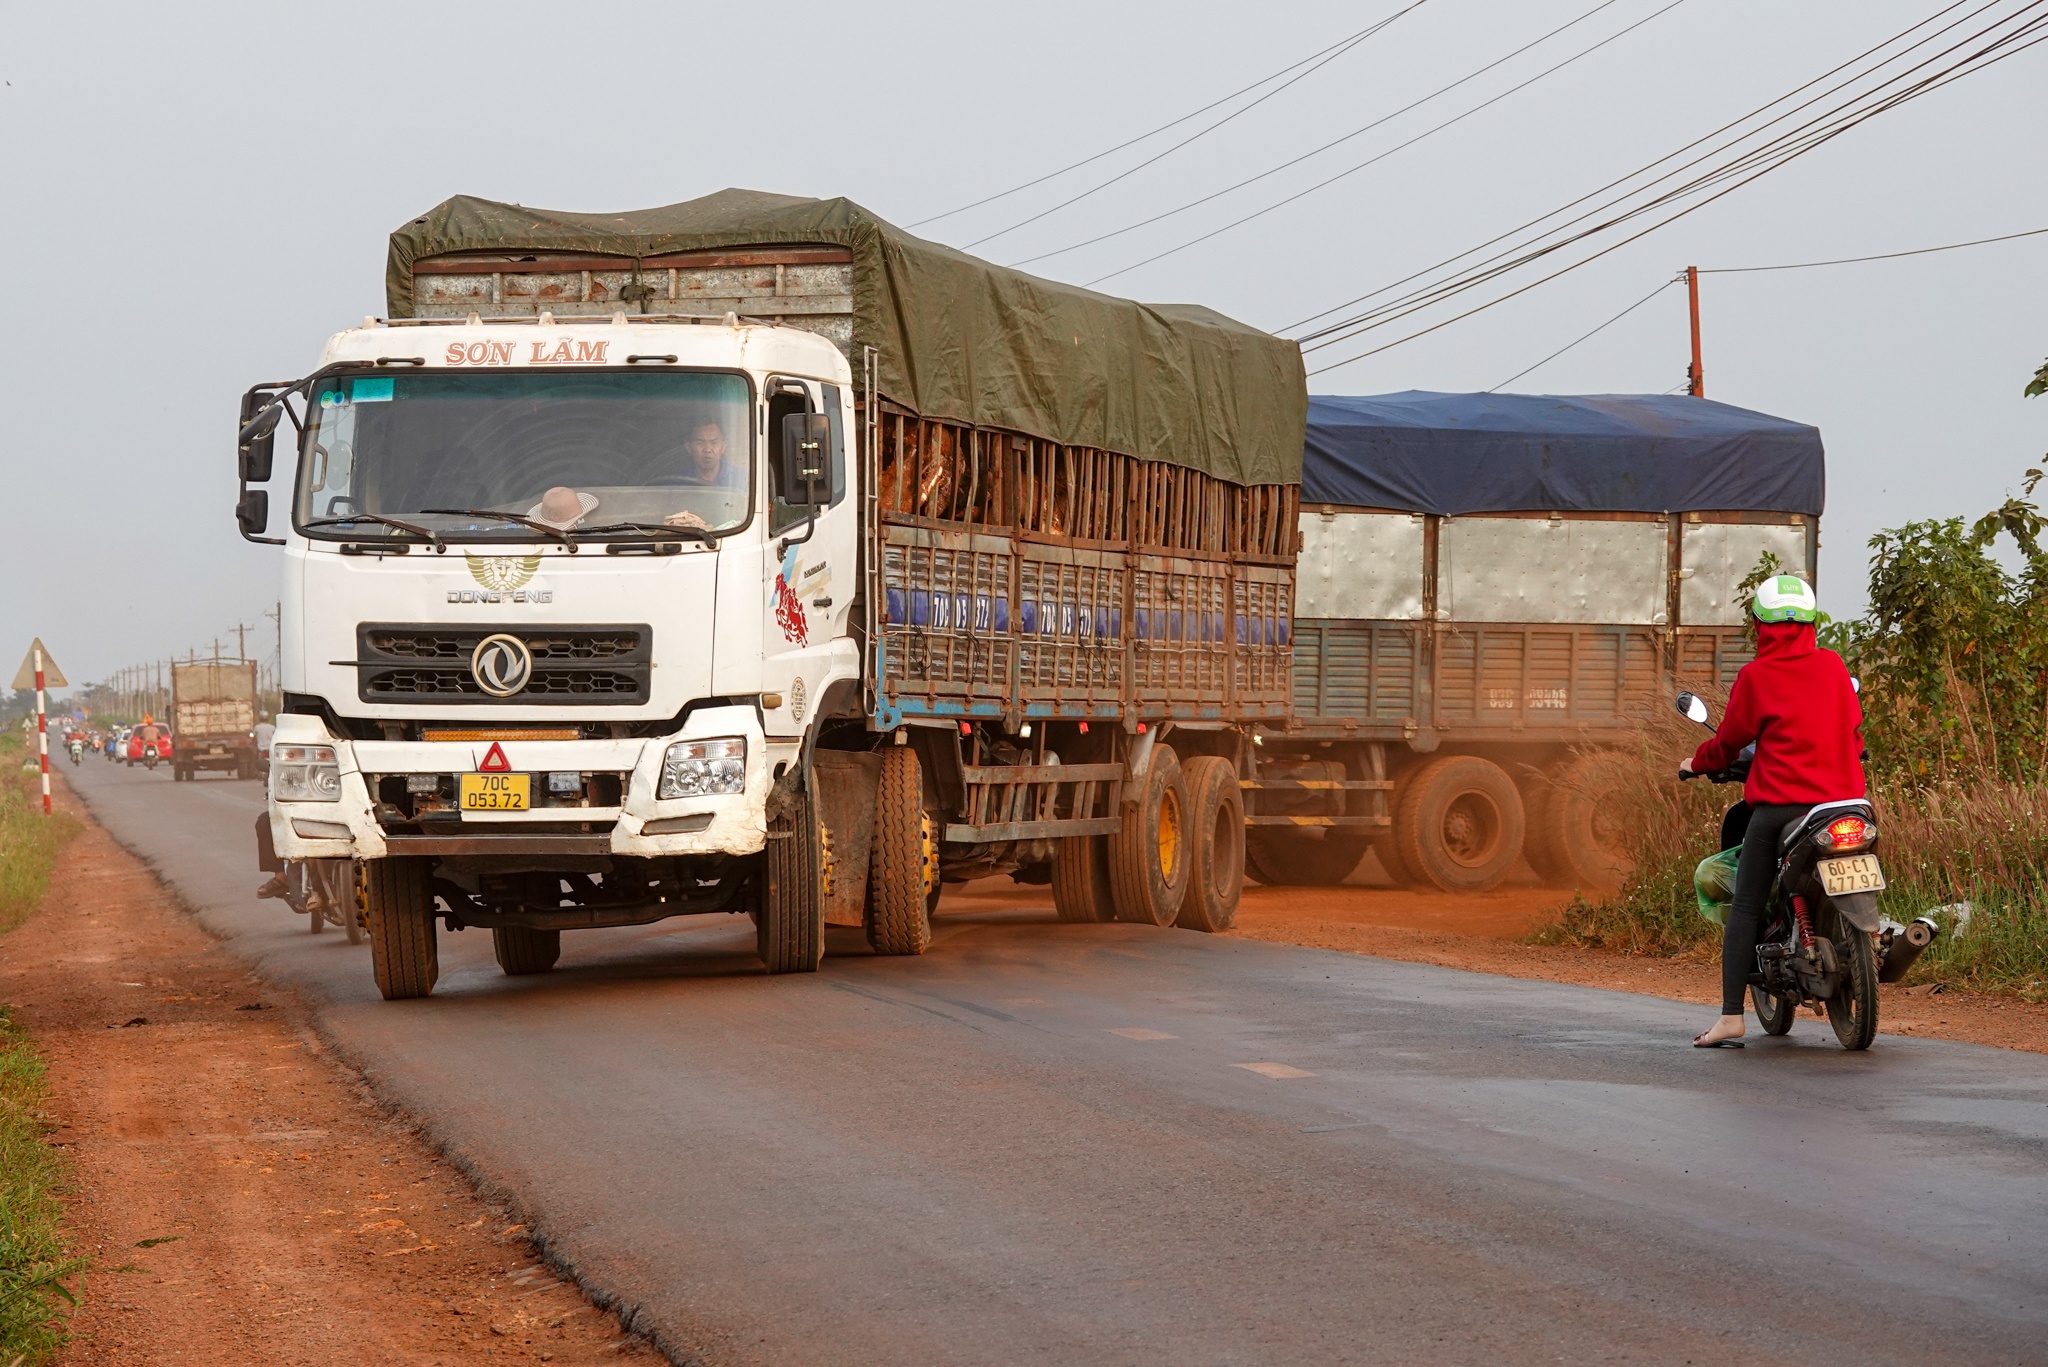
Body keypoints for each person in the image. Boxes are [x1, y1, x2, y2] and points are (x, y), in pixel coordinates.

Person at [1679, 575, 1865, 1048]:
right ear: (1810, 623)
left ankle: (1730, 1017)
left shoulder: (1757, 676)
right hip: (1847, 804)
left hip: (1784, 809)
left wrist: (1696, 763)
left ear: (1760, 625)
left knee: (1745, 904)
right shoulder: (1833, 665)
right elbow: (1853, 730)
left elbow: (1728, 743)